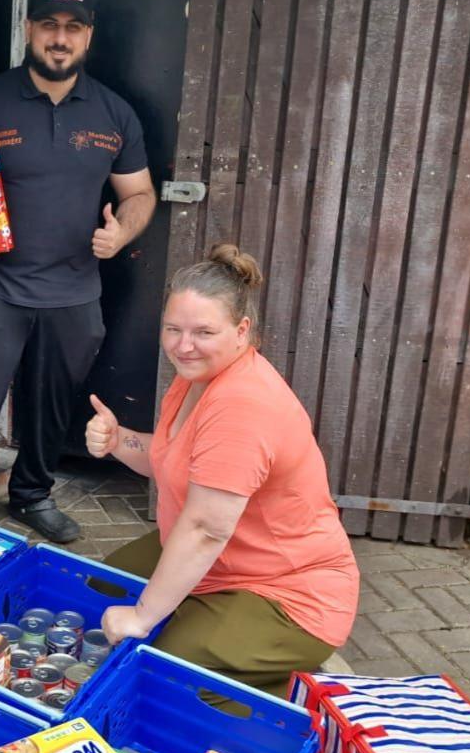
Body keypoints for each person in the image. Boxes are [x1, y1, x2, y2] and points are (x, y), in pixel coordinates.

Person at [0, 0, 157, 543]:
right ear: (30, 29)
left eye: (72, 28)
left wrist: (120, 234)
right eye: (49, 25)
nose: (60, 38)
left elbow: (141, 193)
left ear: (88, 36)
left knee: (52, 408)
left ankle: (31, 494)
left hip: (75, 292)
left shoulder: (114, 113)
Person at [88, 245, 359, 697]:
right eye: (173, 329)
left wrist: (143, 616)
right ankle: (219, 639)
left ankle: (282, 694)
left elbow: (206, 530)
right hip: (227, 561)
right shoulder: (197, 375)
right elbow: (174, 457)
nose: (183, 345)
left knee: (162, 674)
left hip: (287, 593)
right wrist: (120, 442)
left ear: (242, 330)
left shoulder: (242, 406)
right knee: (99, 587)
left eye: (203, 332)